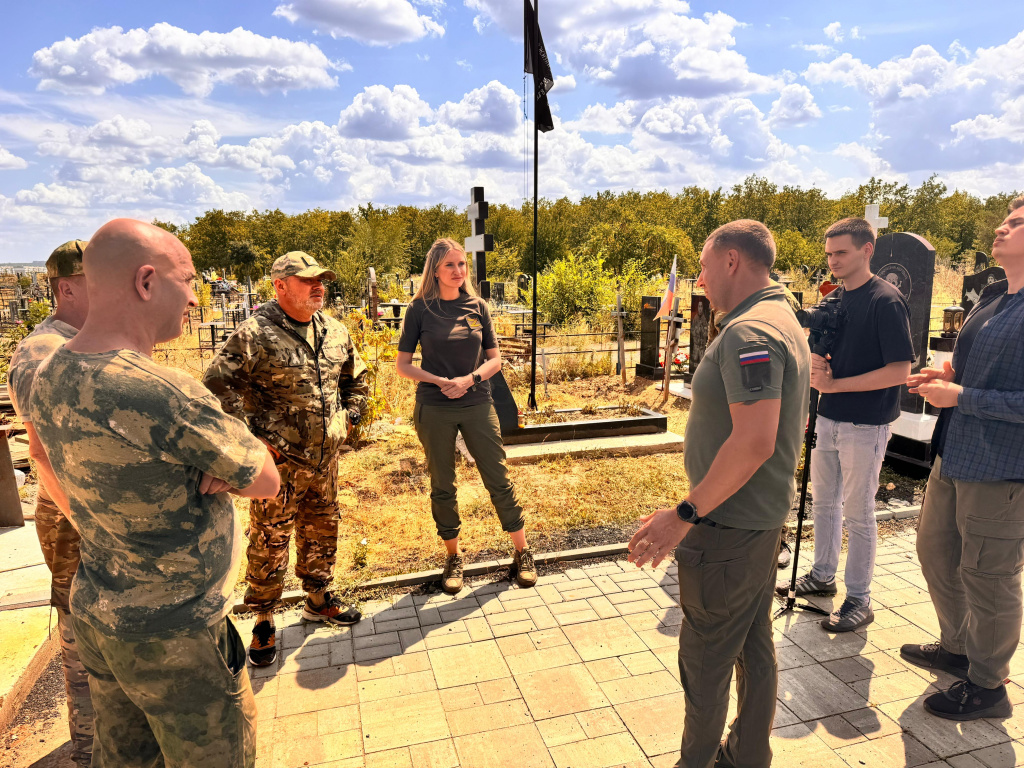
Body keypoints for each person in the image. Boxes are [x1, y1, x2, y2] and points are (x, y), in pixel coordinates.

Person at [28, 219, 280, 767]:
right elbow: (266, 480)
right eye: (187, 280)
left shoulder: (49, 373)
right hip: (178, 633)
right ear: (146, 282)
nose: (194, 297)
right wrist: (233, 462)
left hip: (101, 613)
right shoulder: (164, 395)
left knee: (127, 757)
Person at [629, 220, 809, 768]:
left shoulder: (750, 333)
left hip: (728, 525)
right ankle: (747, 754)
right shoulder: (780, 316)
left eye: (705, 267)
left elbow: (754, 441)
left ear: (732, 261)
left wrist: (684, 514)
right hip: (754, 519)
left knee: (706, 659)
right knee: (753, 643)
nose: (700, 279)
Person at [204, 251, 367, 667]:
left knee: (322, 529)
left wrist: (350, 417)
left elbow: (356, 379)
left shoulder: (334, 330)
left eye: (321, 280)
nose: (319, 287)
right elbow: (216, 388)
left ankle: (318, 599)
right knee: (269, 540)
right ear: (280, 286)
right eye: (308, 280)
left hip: (324, 461)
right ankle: (264, 618)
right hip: (278, 467)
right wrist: (252, 441)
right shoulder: (254, 334)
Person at [901, 196, 1024, 720]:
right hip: (953, 452)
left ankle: (988, 685)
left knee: (988, 576)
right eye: (1004, 220)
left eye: (1016, 223)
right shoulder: (996, 295)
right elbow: (975, 368)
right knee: (935, 551)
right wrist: (948, 376)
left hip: (1001, 469)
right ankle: (957, 647)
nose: (1001, 228)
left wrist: (963, 397)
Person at [775, 217, 915, 633]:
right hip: (828, 416)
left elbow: (900, 370)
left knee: (858, 512)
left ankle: (859, 598)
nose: (833, 261)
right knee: (824, 503)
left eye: (841, 252)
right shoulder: (835, 298)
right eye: (829, 254)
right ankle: (822, 576)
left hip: (865, 422)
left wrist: (836, 385)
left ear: (867, 250)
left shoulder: (885, 300)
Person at [396, 238, 536, 594]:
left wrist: (469, 380)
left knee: (498, 478)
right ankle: (454, 557)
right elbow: (403, 366)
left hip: (477, 403)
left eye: (462, 264)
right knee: (442, 484)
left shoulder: (477, 307)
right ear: (435, 270)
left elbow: (495, 360)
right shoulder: (419, 310)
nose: (458, 271)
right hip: (434, 406)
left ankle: (522, 552)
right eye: (450, 265)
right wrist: (439, 381)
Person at [7, 240, 93, 766]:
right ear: (66, 287)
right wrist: (91, 520)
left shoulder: (85, 341)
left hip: (94, 514)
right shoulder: (44, 351)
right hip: (72, 516)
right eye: (93, 280)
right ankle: (90, 750)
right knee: (80, 635)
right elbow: (44, 456)